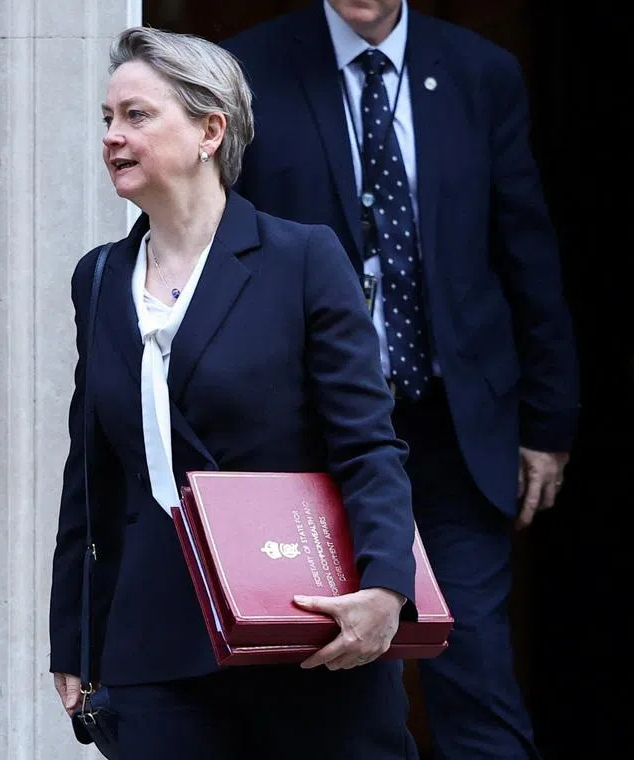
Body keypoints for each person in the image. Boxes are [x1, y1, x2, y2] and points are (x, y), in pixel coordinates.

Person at [49, 26, 422, 759]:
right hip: (155, 643)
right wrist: (74, 637)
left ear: (210, 131)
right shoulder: (98, 278)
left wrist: (387, 587)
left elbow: (367, 443)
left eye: (137, 115)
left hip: (304, 624)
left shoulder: (303, 258)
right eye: (108, 118)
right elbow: (90, 476)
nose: (113, 136)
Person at [221, 2, 580, 758]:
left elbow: (525, 250)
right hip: (311, 435)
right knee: (334, 676)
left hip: (453, 427)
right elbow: (223, 246)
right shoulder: (247, 70)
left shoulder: (480, 72)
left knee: (475, 671)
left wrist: (546, 422)